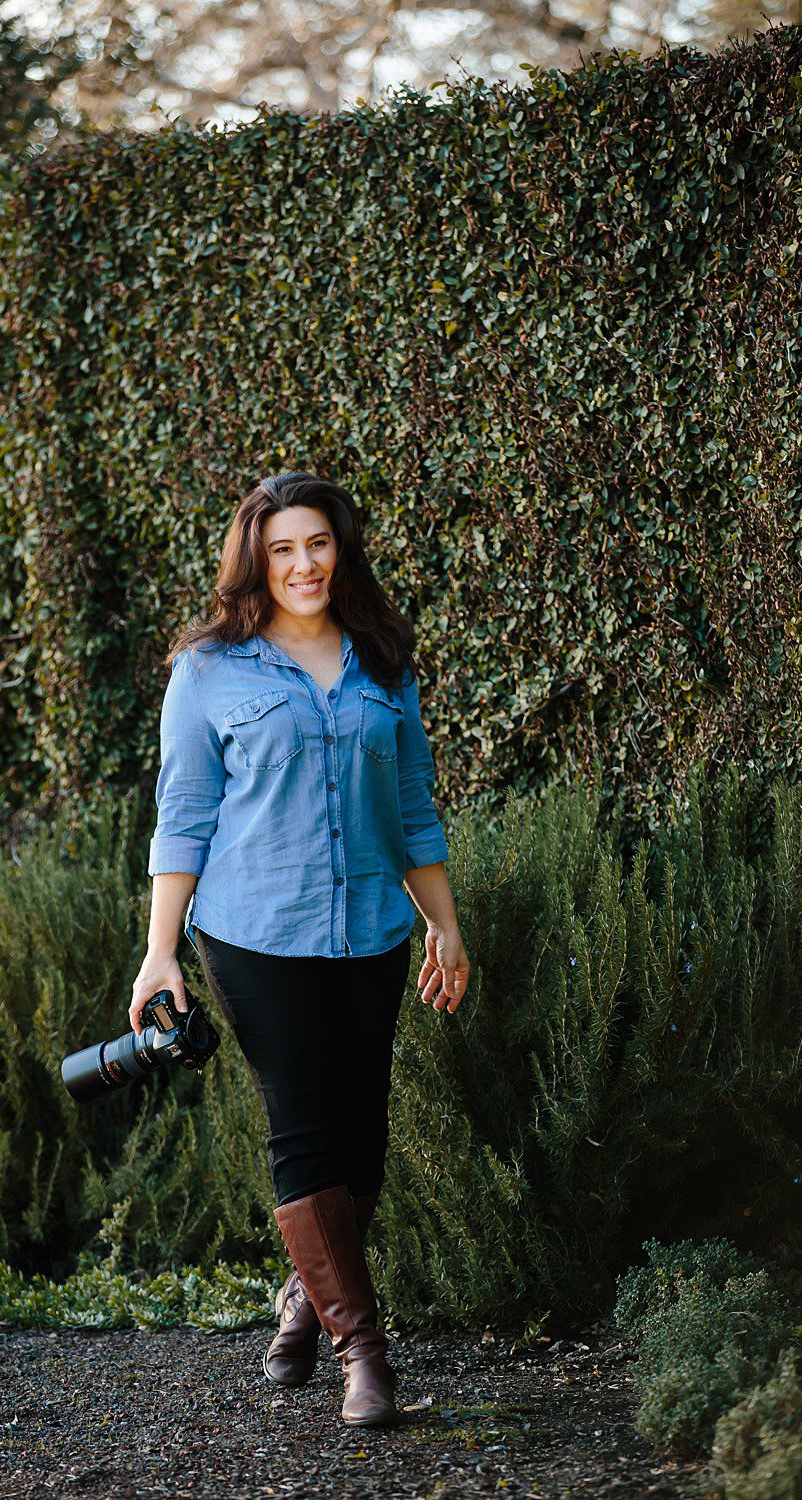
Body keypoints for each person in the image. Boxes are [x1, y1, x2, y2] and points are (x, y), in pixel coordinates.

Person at [128, 470, 470, 1427]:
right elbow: (184, 815)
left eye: (317, 543)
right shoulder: (209, 670)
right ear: (255, 560)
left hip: (371, 928)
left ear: (342, 550)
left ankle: (302, 1296)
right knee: (305, 1126)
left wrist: (445, 922)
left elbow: (412, 808)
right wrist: (161, 955)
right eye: (282, 548)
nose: (303, 563)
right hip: (252, 932)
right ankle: (365, 1350)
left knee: (365, 1141)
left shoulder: (384, 661)